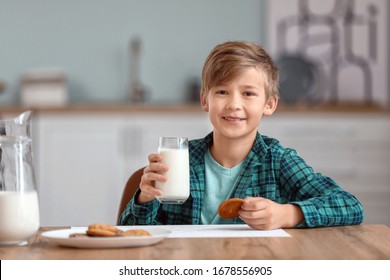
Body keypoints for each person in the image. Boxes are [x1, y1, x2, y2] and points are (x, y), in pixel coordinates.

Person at [119, 41, 364, 229]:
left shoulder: (278, 161)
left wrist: (287, 214)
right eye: (223, 92)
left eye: (248, 93)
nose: (234, 104)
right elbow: (130, 232)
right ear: (205, 99)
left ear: (269, 104)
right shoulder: (181, 160)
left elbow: (350, 206)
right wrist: (145, 198)